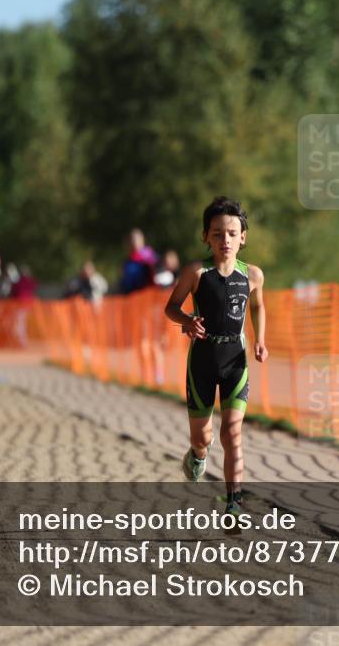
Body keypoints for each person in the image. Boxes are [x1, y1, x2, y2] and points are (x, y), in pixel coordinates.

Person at [164, 196, 268, 519]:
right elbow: (171, 307)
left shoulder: (252, 275)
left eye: (232, 233)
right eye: (218, 233)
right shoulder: (197, 272)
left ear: (243, 238)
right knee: (203, 438)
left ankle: (234, 503)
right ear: (206, 237)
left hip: (235, 360)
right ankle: (196, 456)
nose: (226, 240)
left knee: (232, 431)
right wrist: (187, 322)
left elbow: (257, 306)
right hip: (202, 362)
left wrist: (260, 340)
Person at [120, 229, 158, 294]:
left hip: (150, 296)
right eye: (131, 240)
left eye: (136, 239)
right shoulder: (127, 263)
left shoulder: (151, 258)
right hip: (132, 297)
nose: (134, 243)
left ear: (142, 240)